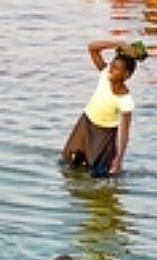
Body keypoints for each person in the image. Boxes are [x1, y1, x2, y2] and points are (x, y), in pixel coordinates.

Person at [61, 38, 148, 179]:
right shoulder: (104, 75)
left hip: (104, 134)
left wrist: (119, 159)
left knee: (99, 174)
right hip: (85, 124)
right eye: (111, 66)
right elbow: (92, 48)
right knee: (69, 164)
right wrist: (118, 43)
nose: (111, 70)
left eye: (116, 68)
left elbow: (124, 133)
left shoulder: (125, 100)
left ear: (126, 75)